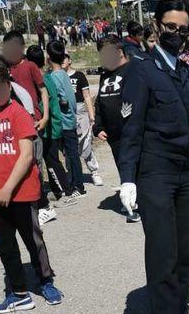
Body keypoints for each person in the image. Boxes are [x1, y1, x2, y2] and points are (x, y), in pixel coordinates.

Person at [118, 0, 189, 314]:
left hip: (185, 175)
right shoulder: (141, 71)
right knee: (163, 256)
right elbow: (130, 129)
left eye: (183, 28)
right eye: (171, 27)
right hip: (154, 175)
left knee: (184, 256)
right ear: (156, 26)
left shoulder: (186, 72)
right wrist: (127, 180)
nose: (177, 33)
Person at [0, 56, 62, 313]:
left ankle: (46, 281)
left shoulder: (19, 114)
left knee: (33, 241)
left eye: (1, 87)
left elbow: (26, 156)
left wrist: (8, 189)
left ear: (8, 86)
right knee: (4, 245)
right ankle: (20, 292)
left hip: (21, 192)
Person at [93, 35, 138, 221]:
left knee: (138, 168)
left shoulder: (133, 71)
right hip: (114, 135)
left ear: (119, 52)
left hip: (133, 132)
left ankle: (140, 203)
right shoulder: (105, 74)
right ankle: (131, 202)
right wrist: (98, 126)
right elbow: (100, 102)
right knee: (123, 168)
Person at [26, 43, 67, 222]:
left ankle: (62, 190)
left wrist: (42, 118)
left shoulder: (40, 79)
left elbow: (45, 102)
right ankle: (60, 188)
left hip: (50, 124)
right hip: (53, 122)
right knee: (52, 158)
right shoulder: (45, 75)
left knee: (51, 160)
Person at [46, 39, 86, 200]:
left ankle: (78, 186)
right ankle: (75, 183)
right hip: (70, 118)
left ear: (48, 57)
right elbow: (71, 99)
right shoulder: (63, 74)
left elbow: (62, 99)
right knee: (72, 154)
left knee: (68, 154)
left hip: (61, 121)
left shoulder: (53, 77)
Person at [63, 51, 103, 186]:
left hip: (81, 111)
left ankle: (94, 171)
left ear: (70, 60)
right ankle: (71, 173)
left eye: (65, 57)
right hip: (65, 112)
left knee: (86, 142)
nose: (62, 60)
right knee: (68, 146)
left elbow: (86, 96)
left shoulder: (79, 76)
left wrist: (91, 116)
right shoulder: (56, 76)